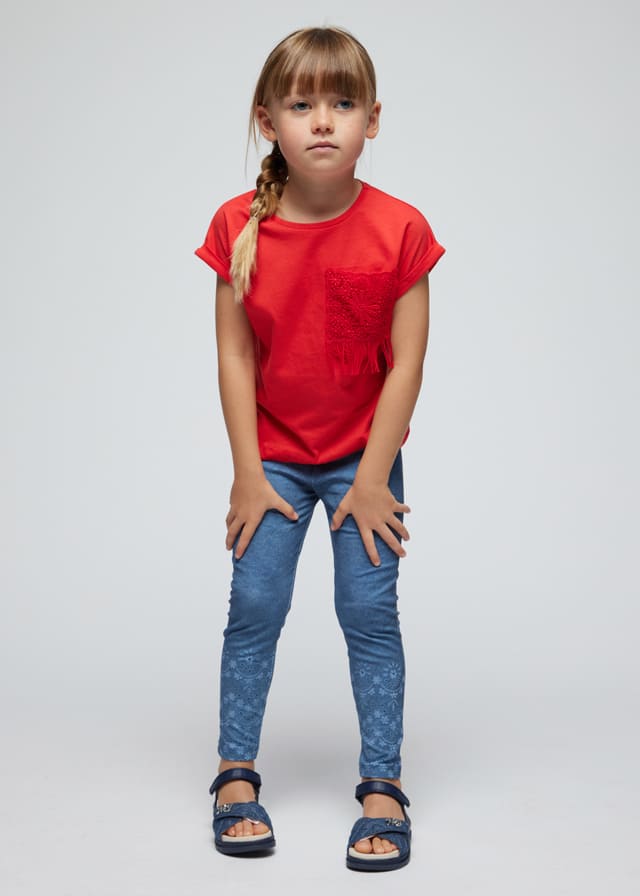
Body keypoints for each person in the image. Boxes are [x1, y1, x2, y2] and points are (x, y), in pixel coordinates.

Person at [195, 25, 445, 872]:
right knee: (255, 608)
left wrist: (371, 479)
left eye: (342, 103)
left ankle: (383, 785)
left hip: (362, 463)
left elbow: (408, 362)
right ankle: (234, 775)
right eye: (302, 105)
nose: (324, 121)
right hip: (272, 460)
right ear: (269, 121)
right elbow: (234, 357)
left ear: (373, 119)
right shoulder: (237, 224)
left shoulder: (400, 228)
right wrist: (246, 473)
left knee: (368, 614)